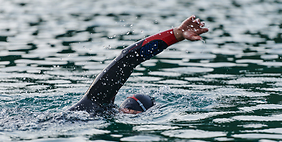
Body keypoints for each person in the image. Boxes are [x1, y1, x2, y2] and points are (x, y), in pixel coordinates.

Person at [69, 15, 209, 114]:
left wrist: (176, 35)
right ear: (132, 112)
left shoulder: (93, 102)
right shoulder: (98, 102)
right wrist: (177, 34)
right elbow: (129, 58)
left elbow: (128, 59)